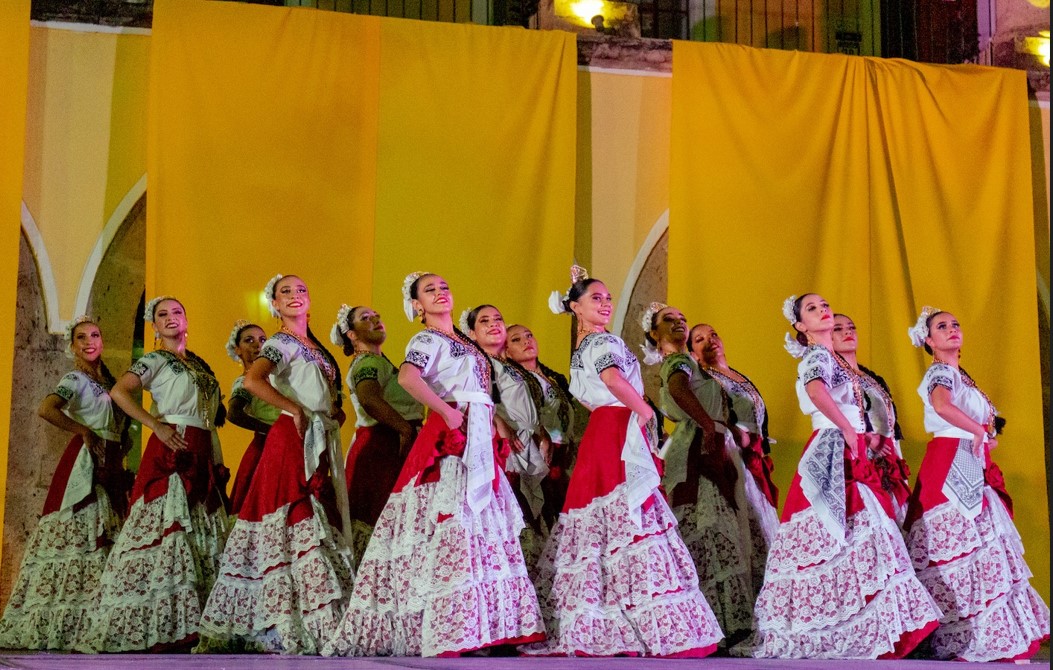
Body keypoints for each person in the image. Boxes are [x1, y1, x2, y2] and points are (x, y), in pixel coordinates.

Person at [324, 272, 544, 657]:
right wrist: (445, 410)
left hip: (477, 434)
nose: (440, 293)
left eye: (444, 287)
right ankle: (451, 625)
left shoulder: (462, 341)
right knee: (454, 523)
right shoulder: (426, 339)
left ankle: (484, 625)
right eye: (430, 290)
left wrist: (496, 421)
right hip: (451, 437)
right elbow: (409, 378)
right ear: (417, 305)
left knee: (480, 526)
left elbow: (478, 390)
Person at [527, 267, 723, 657]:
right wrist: (644, 412)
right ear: (575, 307)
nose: (605, 303)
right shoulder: (604, 342)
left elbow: (590, 398)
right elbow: (614, 379)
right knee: (631, 515)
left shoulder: (581, 350)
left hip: (602, 431)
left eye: (607, 297)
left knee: (603, 524)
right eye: (595, 298)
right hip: (617, 428)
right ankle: (640, 618)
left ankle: (606, 611)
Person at [750, 293, 940, 659]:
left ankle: (866, 625)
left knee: (861, 531)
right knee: (857, 527)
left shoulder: (831, 357)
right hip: (832, 447)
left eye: (824, 305)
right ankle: (858, 627)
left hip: (846, 446)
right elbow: (815, 390)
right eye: (812, 308)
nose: (823, 310)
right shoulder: (817, 356)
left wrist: (863, 434)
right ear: (801, 326)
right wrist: (848, 429)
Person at [197, 274, 354, 654]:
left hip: (316, 436)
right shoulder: (280, 342)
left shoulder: (312, 346)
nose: (295, 295)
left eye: (301, 290)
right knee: (297, 516)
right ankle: (284, 621)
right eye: (286, 292)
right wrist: (294, 408)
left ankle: (312, 617)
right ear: (276, 305)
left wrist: (330, 413)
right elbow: (254, 381)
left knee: (317, 518)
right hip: (291, 439)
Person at [902, 307, 1049, 661]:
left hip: (967, 459)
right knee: (959, 543)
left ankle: (982, 632)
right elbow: (941, 406)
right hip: (950, 462)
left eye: (955, 324)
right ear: (929, 340)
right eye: (942, 326)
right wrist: (977, 431)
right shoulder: (940, 371)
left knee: (978, 544)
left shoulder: (959, 375)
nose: (952, 329)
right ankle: (962, 634)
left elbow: (972, 420)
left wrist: (983, 436)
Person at [87, 297, 229, 652]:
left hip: (202, 446)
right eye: (161, 315)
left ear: (186, 319)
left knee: (201, 528)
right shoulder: (154, 359)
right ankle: (159, 621)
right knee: (168, 524)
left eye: (176, 312)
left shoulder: (197, 363)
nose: (170, 318)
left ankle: (199, 621)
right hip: (173, 445)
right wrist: (155, 424)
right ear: (153, 326)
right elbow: (119, 391)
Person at [0, 317, 130, 650]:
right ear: (72, 346)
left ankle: (98, 618)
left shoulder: (108, 382)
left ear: (102, 341)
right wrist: (82, 430)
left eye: (95, 335)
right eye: (81, 337)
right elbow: (46, 408)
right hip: (85, 463)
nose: (89, 342)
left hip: (111, 462)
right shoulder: (75, 379)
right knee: (83, 530)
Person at [645, 304, 755, 647]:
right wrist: (708, 425)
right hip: (697, 446)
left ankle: (714, 621)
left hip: (706, 441)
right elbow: (679, 390)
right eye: (669, 320)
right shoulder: (678, 361)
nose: (679, 323)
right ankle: (715, 622)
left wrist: (724, 428)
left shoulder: (687, 362)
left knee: (714, 529)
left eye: (682, 319)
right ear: (654, 334)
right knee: (710, 528)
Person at [688, 322, 779, 594]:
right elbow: (711, 419)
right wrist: (736, 434)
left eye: (713, 334)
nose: (710, 340)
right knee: (744, 530)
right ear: (693, 354)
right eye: (700, 339)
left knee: (764, 529)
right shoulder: (705, 380)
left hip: (752, 458)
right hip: (732, 458)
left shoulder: (736, 375)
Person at [331, 304, 423, 562]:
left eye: (376, 315)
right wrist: (404, 429)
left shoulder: (379, 361)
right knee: (380, 518)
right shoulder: (368, 362)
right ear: (352, 334)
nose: (375, 319)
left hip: (388, 443)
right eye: (365, 318)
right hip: (381, 447)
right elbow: (368, 398)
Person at [463, 305, 551, 565]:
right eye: (484, 321)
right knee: (517, 507)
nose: (494, 324)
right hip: (505, 444)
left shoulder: (509, 365)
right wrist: (500, 424)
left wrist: (541, 432)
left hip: (528, 441)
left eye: (498, 319)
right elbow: (476, 398)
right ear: (472, 333)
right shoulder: (478, 362)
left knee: (538, 509)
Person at [831, 314, 910, 525]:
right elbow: (834, 412)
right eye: (838, 329)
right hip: (860, 453)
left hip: (886, 451)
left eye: (851, 327)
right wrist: (866, 437)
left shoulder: (870, 376)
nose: (848, 332)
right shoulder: (834, 374)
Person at [504, 323, 579, 529]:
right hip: (543, 452)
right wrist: (546, 438)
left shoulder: (554, 378)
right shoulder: (517, 382)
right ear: (507, 352)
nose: (526, 341)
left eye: (529, 335)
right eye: (516, 339)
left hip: (565, 451)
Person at [224, 321, 281, 516]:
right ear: (238, 350)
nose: (258, 345)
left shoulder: (277, 378)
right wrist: (272, 430)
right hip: (265, 449)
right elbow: (234, 413)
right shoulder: (245, 382)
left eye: (263, 339)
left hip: (283, 447)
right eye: (249, 340)